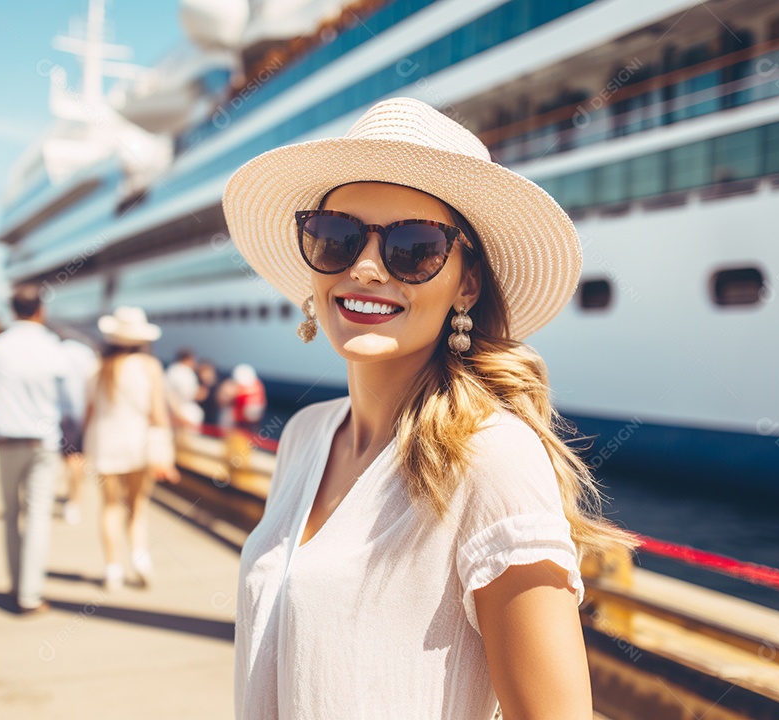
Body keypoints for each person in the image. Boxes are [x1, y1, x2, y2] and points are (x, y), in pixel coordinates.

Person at [221, 97, 638, 718]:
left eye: (414, 248)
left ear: (466, 283)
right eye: (336, 238)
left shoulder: (492, 458)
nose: (364, 268)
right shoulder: (305, 436)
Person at [0, 285, 71, 614]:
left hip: (5, 441)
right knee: (38, 517)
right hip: (42, 443)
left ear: (12, 309)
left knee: (10, 514)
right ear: (40, 311)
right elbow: (68, 401)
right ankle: (30, 595)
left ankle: (16, 584)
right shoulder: (54, 348)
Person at [83, 307, 179, 590]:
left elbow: (88, 411)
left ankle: (112, 569)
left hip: (103, 444)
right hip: (138, 444)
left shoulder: (97, 366)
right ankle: (139, 558)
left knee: (109, 507)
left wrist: (78, 445)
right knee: (138, 507)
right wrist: (166, 451)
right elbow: (158, 415)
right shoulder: (149, 366)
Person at [57, 330, 99, 525]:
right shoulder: (87, 355)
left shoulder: (58, 352)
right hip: (84, 412)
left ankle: (72, 498)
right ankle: (75, 499)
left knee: (69, 459)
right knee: (79, 459)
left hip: (63, 414)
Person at [164, 348, 204, 430]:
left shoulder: (171, 370)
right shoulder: (186, 372)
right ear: (188, 359)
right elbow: (190, 394)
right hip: (183, 414)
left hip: (169, 411)